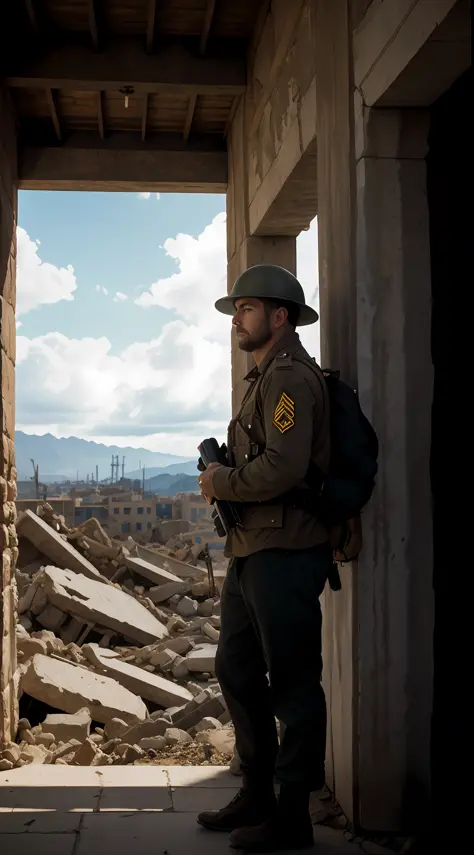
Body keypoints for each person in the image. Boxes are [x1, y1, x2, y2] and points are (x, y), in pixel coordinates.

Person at [196, 264, 332, 853]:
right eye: (236, 310)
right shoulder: (262, 378)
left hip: (286, 551)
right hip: (252, 549)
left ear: (280, 317)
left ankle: (293, 813)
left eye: (247, 308)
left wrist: (221, 481)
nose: (237, 320)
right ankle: (257, 793)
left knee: (295, 685)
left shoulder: (290, 381)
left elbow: (284, 467)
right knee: (237, 669)